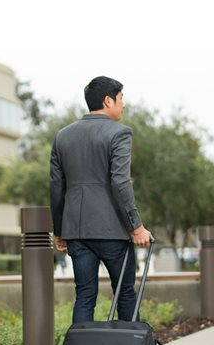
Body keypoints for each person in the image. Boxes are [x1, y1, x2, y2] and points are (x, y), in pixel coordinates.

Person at [50, 76, 152, 324]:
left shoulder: (62, 136)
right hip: (112, 230)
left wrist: (60, 230)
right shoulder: (120, 133)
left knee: (84, 296)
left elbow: (56, 187)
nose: (123, 104)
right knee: (125, 293)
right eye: (121, 98)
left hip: (77, 231)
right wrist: (136, 227)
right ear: (108, 100)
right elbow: (120, 182)